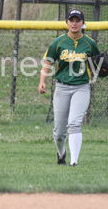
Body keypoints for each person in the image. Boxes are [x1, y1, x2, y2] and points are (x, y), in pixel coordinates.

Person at [38, 9, 101, 166]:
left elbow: (99, 65)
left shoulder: (90, 44)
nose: (74, 23)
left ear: (82, 23)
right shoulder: (58, 42)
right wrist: (42, 81)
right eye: (71, 20)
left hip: (82, 87)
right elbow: (48, 62)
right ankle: (61, 153)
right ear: (67, 23)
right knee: (59, 133)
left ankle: (74, 162)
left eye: (77, 20)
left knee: (74, 123)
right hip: (62, 88)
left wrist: (101, 68)